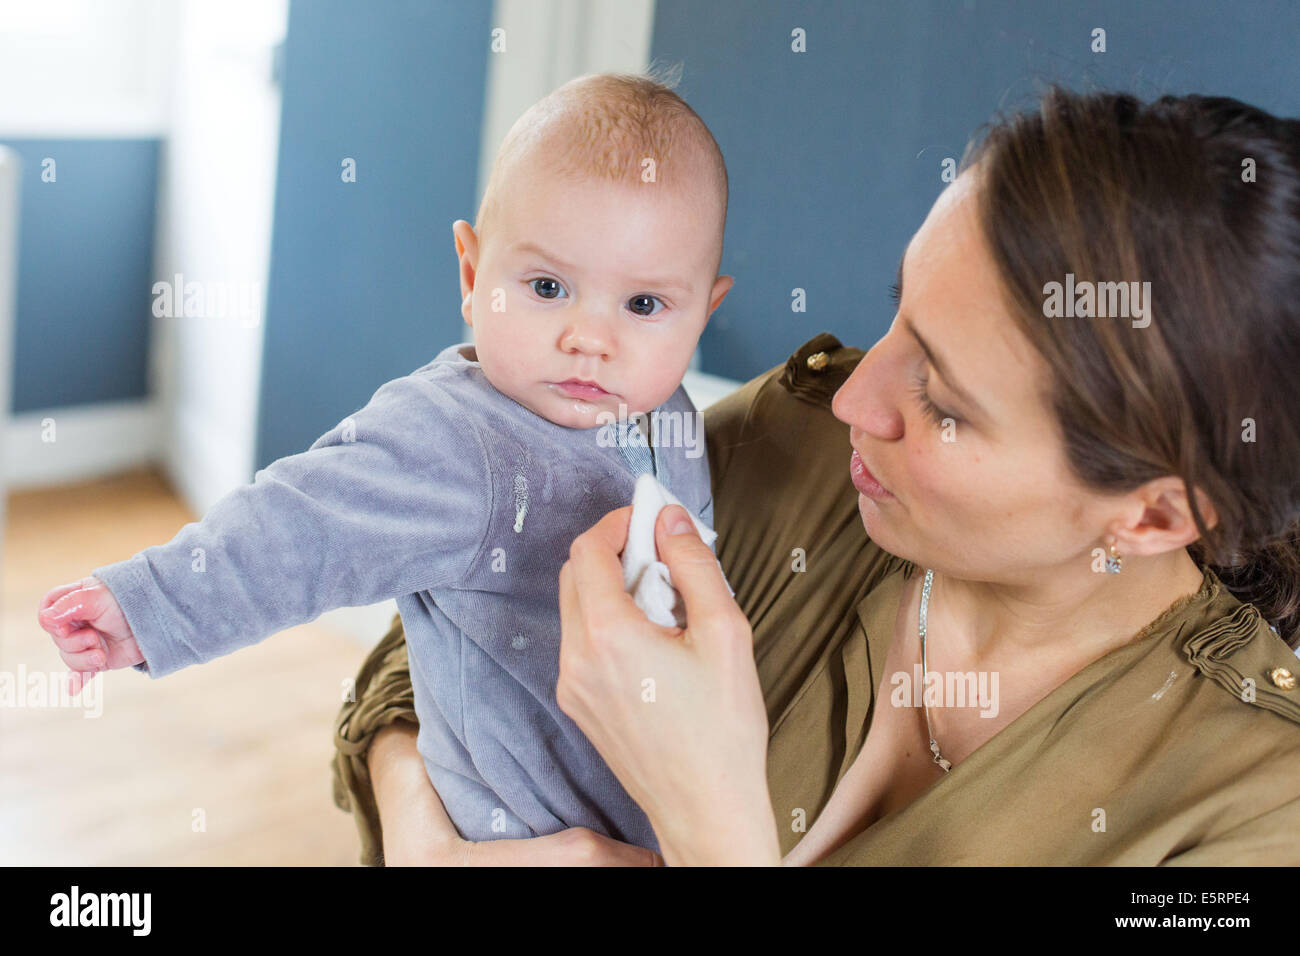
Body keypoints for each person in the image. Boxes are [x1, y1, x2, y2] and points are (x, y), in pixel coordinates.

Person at [334, 87, 1300, 866]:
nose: (854, 397)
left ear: (1156, 515)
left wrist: (709, 824)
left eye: (945, 404)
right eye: (900, 315)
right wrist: (424, 832)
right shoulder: (794, 443)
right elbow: (439, 629)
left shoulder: (1257, 810)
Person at [36, 71, 733, 853]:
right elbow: (300, 526)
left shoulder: (669, 418)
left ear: (704, 311)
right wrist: (148, 606)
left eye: (643, 306)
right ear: (473, 276)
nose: (590, 338)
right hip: (516, 835)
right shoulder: (455, 440)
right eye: (547, 286)